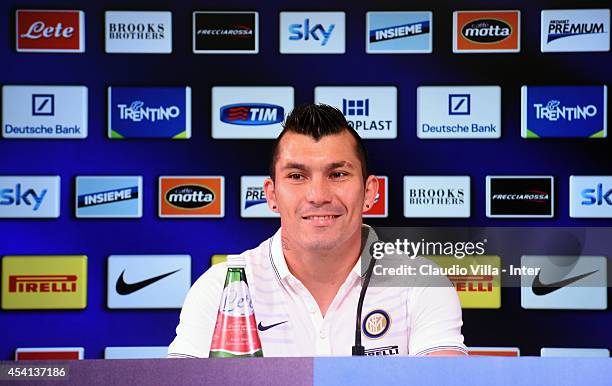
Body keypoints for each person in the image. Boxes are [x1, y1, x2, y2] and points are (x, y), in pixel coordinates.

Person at [168, 104, 466, 357]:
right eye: (297, 175)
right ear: (271, 195)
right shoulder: (221, 288)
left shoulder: (421, 283)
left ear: (369, 191)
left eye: (337, 174)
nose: (318, 194)